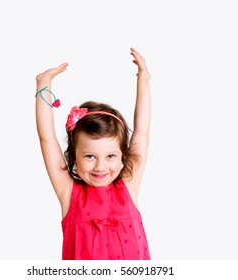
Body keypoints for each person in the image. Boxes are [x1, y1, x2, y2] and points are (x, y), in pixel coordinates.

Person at [35, 48, 151, 260]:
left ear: (123, 156)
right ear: (74, 157)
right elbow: (47, 138)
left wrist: (143, 78)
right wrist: (44, 84)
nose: (100, 166)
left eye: (110, 156)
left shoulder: (128, 185)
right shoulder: (69, 192)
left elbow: (142, 132)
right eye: (89, 156)